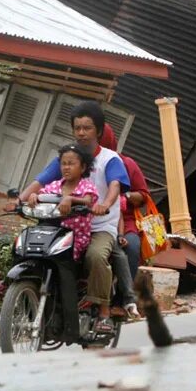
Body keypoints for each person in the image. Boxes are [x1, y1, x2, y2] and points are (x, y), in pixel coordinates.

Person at [19, 101, 127, 334]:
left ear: (98, 130)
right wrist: (20, 199)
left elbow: (115, 185)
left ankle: (104, 312)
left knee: (96, 256)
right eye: (77, 127)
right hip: (65, 223)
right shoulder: (69, 158)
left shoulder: (110, 159)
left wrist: (104, 205)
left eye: (87, 128)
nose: (81, 132)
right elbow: (41, 180)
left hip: (99, 225)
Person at [100, 124, 151, 281]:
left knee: (132, 247)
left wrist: (125, 195)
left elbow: (144, 196)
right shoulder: (82, 162)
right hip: (90, 218)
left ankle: (124, 298)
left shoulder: (126, 164)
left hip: (125, 220)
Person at [35, 144, 97, 263]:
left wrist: (70, 199)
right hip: (50, 233)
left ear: (83, 167)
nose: (66, 167)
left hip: (74, 237)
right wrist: (34, 197)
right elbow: (41, 194)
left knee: (62, 259)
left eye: (71, 164)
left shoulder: (87, 186)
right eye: (63, 163)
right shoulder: (54, 185)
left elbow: (88, 201)